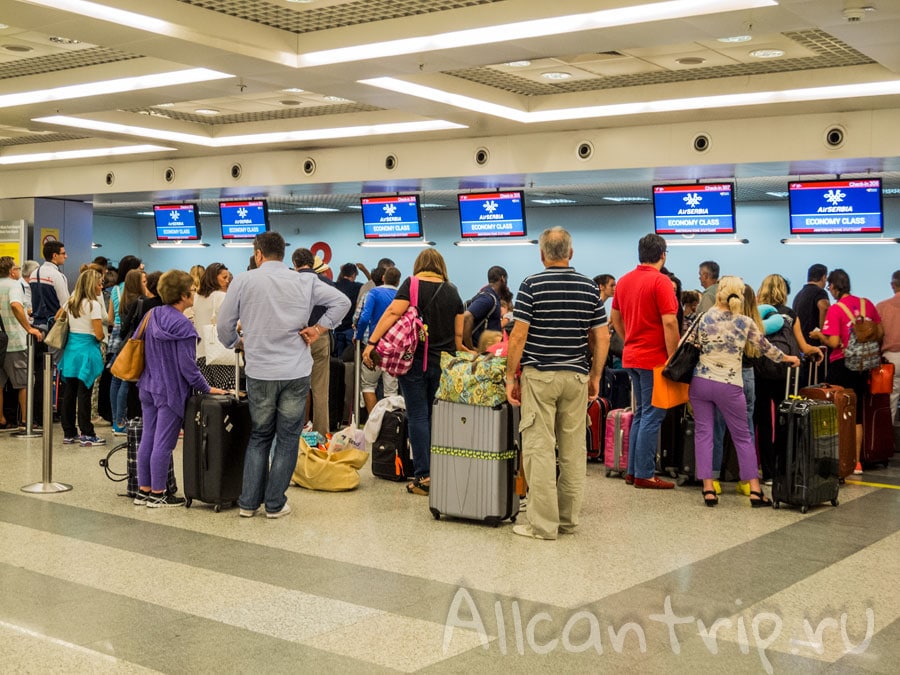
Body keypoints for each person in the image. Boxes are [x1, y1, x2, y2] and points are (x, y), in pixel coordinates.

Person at [218, 232, 349, 519]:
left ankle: (248, 504)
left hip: (260, 371)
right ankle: (275, 504)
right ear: (283, 254)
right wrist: (318, 329)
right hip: (295, 371)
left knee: (259, 436)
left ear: (258, 254)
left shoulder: (243, 281)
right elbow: (342, 303)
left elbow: (224, 326)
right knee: (288, 438)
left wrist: (236, 343)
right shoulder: (304, 280)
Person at [505, 227, 609, 539]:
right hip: (576, 376)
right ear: (570, 253)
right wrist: (595, 376)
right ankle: (567, 520)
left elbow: (519, 336)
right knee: (573, 450)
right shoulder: (590, 288)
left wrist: (511, 376)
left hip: (540, 376)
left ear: (542, 255)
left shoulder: (531, 285)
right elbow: (601, 337)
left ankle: (543, 525)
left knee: (538, 448)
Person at [362, 249, 466, 496]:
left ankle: (424, 475)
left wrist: (372, 342)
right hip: (442, 364)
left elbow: (393, 312)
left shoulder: (413, 284)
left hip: (414, 363)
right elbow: (459, 335)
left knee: (418, 416)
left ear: (419, 265)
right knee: (434, 416)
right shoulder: (452, 291)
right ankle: (438, 470)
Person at [689, 276, 800, 507]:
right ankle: (755, 491)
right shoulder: (744, 322)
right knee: (742, 436)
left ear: (719, 292)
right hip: (729, 385)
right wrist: (789, 358)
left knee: (704, 435)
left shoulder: (703, 318)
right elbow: (767, 349)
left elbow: (692, 344)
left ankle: (708, 488)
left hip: (700, 382)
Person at [135, 270, 228, 507]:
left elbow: (138, 342)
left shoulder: (152, 315)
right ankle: (158, 494)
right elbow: (188, 368)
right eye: (193, 291)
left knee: (148, 438)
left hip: (147, 385)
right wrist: (207, 388)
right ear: (184, 295)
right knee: (164, 444)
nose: (195, 295)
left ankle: (143, 490)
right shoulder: (184, 326)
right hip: (170, 390)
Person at [609, 234, 680, 489]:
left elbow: (614, 317)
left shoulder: (624, 281)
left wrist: (629, 338)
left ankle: (633, 471)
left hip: (632, 356)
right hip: (654, 359)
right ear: (663, 254)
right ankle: (644, 474)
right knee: (653, 414)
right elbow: (670, 321)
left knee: (641, 413)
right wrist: (673, 357)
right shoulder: (661, 282)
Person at [812, 269, 883, 474]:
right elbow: (879, 331)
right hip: (863, 365)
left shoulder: (836, 310)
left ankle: (837, 459)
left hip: (841, 365)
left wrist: (820, 336)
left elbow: (834, 341)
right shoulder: (866, 304)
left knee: (835, 411)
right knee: (856, 413)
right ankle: (856, 462)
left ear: (833, 286)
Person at [754, 273, 823, 483]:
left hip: (760, 373)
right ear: (784, 291)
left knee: (763, 423)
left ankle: (767, 472)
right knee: (786, 420)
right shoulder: (790, 314)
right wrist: (816, 351)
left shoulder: (755, 314)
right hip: (787, 374)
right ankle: (783, 468)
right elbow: (803, 347)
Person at [58, 268, 106, 446]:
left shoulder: (70, 302)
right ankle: (87, 432)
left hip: (71, 350)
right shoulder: (93, 305)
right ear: (92, 285)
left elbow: (58, 318)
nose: (101, 285)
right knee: (85, 392)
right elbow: (99, 334)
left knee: (69, 392)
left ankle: (69, 432)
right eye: (99, 283)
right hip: (87, 350)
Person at [293, 249, 336, 435]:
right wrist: (320, 328)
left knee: (294, 389)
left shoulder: (290, 282)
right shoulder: (326, 283)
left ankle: (295, 432)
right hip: (320, 337)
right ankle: (322, 435)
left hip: (296, 338)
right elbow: (339, 307)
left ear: (295, 263)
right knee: (320, 390)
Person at [0, 257, 44, 429]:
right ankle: (25, 420)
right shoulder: (14, 285)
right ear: (12, 271)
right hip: (14, 341)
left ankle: (2, 419)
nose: (19, 271)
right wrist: (29, 328)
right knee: (24, 382)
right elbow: (16, 305)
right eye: (17, 268)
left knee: (0, 384)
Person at [354, 265, 401, 413]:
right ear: (398, 281)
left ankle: (374, 426)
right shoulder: (401, 296)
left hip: (375, 347)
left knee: (368, 385)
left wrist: (359, 337)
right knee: (391, 390)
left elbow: (363, 319)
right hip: (394, 348)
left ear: (383, 278)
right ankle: (391, 428)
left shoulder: (373, 293)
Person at [107, 255, 143, 436]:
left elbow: (110, 318)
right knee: (126, 380)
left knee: (115, 377)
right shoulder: (137, 292)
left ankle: (116, 420)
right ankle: (121, 422)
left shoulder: (115, 290)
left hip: (116, 336)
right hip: (131, 336)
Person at [191, 263, 234, 389]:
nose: (227, 281)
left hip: (200, 352)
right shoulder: (222, 297)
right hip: (220, 352)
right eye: (224, 277)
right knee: (226, 393)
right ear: (214, 278)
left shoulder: (196, 297)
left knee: (207, 394)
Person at [792, 263, 830, 382]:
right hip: (815, 347)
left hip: (801, 345)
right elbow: (824, 307)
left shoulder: (798, 295)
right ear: (824, 277)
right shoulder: (820, 292)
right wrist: (824, 332)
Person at [462, 266, 511, 350]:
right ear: (502, 278)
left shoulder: (492, 297)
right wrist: (470, 348)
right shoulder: (488, 298)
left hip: (486, 349)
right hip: (480, 350)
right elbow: (467, 316)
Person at [875, 270, 900, 424]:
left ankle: (885, 442)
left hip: (890, 359)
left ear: (893, 285)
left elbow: (877, 335)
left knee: (890, 402)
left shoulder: (882, 307)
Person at [28, 240, 69, 330]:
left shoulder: (34, 273)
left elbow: (31, 300)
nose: (66, 256)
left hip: (37, 325)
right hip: (53, 326)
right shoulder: (57, 275)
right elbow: (65, 304)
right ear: (55, 255)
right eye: (63, 253)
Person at [333, 262, 363, 358]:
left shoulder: (334, 285)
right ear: (354, 275)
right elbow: (373, 284)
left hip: (336, 328)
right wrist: (365, 270)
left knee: (337, 359)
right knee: (350, 359)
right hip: (350, 328)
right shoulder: (357, 286)